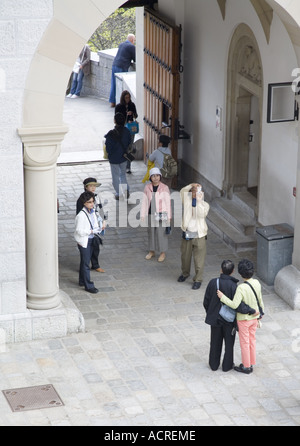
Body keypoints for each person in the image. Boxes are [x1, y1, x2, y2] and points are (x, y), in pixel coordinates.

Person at [203, 260, 257, 372]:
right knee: (229, 344)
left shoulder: (213, 282)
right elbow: (239, 306)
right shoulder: (234, 286)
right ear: (232, 271)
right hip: (229, 320)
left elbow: (206, 301)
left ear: (221, 270)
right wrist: (252, 310)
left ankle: (213, 364)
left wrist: (211, 313)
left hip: (215, 319)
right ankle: (227, 366)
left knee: (215, 342)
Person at [217, 258, 264, 374]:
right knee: (252, 340)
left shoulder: (241, 288)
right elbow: (260, 300)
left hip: (244, 319)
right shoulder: (256, 283)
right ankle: (251, 362)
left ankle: (246, 366)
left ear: (240, 273)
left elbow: (234, 304)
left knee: (244, 342)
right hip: (254, 317)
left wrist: (222, 297)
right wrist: (260, 314)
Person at [177, 183, 210, 290]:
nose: (195, 193)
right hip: (187, 233)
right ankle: (185, 273)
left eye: (198, 191)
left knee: (199, 260)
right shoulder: (187, 200)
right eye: (194, 191)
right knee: (185, 257)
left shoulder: (205, 205)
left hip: (199, 235)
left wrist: (199, 201)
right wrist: (191, 185)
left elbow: (201, 214)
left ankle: (198, 279)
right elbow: (182, 191)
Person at [74, 191, 105, 294]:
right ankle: (89, 285)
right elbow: (79, 230)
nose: (92, 204)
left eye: (92, 202)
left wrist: (100, 227)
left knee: (84, 261)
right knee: (86, 263)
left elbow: (96, 223)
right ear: (84, 203)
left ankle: (82, 281)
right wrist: (91, 231)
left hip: (92, 238)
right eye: (89, 202)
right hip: (85, 241)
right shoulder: (81, 216)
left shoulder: (93, 211)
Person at [141, 167, 172, 263]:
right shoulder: (147, 188)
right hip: (150, 213)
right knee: (151, 232)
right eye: (153, 176)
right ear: (150, 178)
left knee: (161, 233)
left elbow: (168, 203)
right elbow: (144, 202)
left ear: (160, 176)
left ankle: (162, 252)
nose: (156, 178)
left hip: (161, 213)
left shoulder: (164, 188)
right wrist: (143, 215)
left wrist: (169, 216)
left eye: (157, 176)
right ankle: (152, 251)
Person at [76, 177, 106, 273]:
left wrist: (104, 220)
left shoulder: (97, 197)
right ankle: (84, 267)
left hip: (97, 226)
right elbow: (79, 214)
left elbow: (101, 209)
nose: (93, 188)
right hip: (87, 228)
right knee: (86, 249)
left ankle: (95, 264)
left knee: (96, 247)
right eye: (91, 186)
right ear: (86, 187)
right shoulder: (82, 199)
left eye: (94, 186)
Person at [105, 112, 132, 200]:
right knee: (122, 175)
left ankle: (119, 193)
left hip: (114, 159)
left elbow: (108, 148)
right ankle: (126, 190)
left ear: (114, 121)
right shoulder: (127, 131)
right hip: (123, 157)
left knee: (115, 177)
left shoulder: (111, 134)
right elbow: (129, 143)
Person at [109, 34, 136, 107]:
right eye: (134, 40)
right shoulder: (132, 46)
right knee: (121, 85)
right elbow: (135, 58)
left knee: (113, 83)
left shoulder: (121, 44)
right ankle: (121, 103)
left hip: (115, 64)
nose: (134, 42)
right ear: (132, 40)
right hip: (122, 66)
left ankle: (112, 102)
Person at [115, 90, 138, 174]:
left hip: (130, 129)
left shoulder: (132, 105)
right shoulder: (119, 106)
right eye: (126, 98)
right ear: (123, 98)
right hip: (122, 129)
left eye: (129, 97)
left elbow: (136, 115)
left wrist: (132, 114)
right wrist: (125, 114)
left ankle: (128, 167)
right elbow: (116, 118)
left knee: (129, 148)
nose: (128, 99)